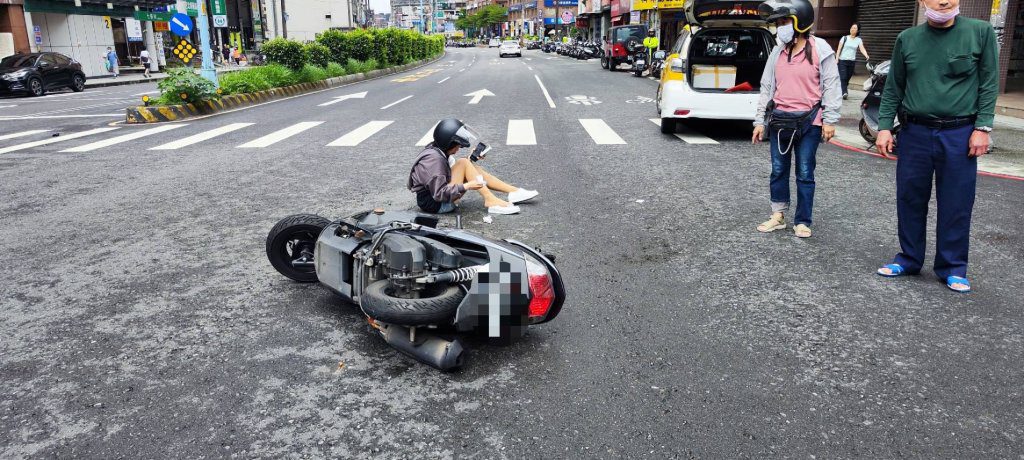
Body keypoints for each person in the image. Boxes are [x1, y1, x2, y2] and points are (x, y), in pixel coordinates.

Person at [874, 0, 997, 293]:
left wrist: (983, 127)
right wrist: (883, 127)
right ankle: (909, 258)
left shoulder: (980, 32)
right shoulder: (908, 38)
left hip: (959, 132)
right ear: (921, 2)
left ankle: (952, 267)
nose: (943, 1)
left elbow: (990, 81)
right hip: (915, 131)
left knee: (956, 202)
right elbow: (894, 86)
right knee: (910, 197)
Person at [751, 0, 842, 239]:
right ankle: (778, 216)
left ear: (800, 22)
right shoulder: (777, 51)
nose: (781, 27)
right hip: (780, 120)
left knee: (804, 172)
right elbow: (767, 86)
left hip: (810, 122)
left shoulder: (821, 49)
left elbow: (832, 86)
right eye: (778, 23)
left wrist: (830, 120)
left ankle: (802, 221)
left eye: (785, 22)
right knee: (778, 170)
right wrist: (759, 121)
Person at [408, 118, 539, 215]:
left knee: (469, 164)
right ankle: (490, 200)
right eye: (458, 146)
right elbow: (439, 194)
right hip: (436, 204)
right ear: (448, 144)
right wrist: (466, 186)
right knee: (464, 163)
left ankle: (514, 192)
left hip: (435, 196)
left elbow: (450, 169)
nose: (458, 149)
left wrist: (471, 160)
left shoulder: (436, 149)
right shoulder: (434, 160)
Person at [835, 23, 870, 99]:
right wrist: (837, 59)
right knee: (843, 77)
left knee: (848, 77)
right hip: (842, 60)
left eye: (854, 28)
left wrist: (866, 55)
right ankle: (844, 92)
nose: (852, 29)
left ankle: (841, 88)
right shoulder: (844, 38)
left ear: (857, 31)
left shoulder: (859, 40)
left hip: (851, 62)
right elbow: (839, 49)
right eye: (852, 28)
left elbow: (862, 48)